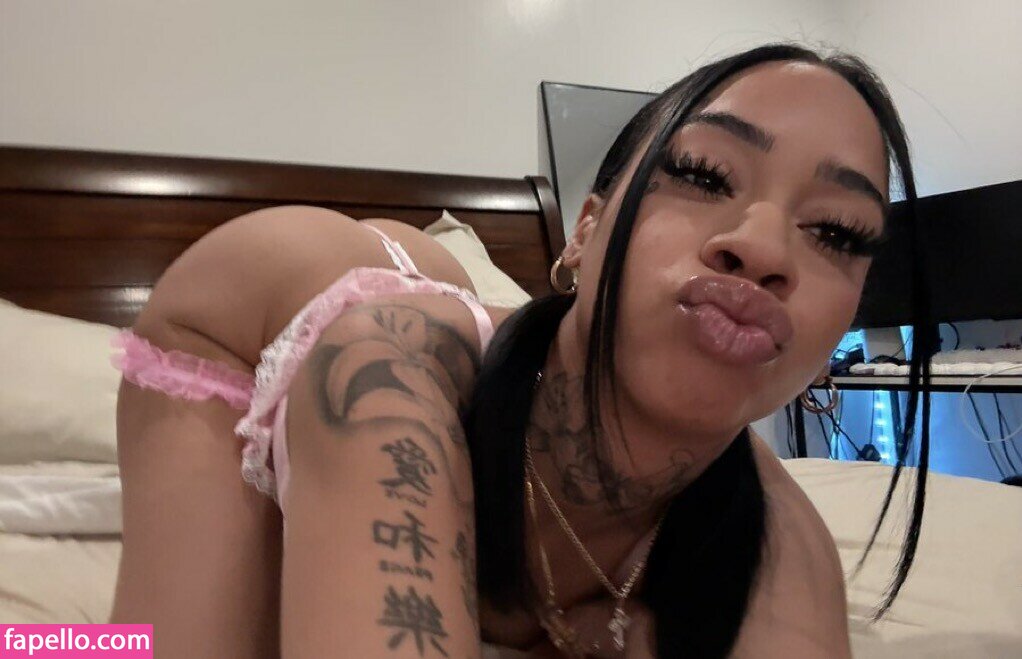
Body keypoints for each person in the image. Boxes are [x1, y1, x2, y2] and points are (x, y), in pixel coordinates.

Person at [110, 43, 934, 658]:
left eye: (837, 232)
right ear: (585, 231)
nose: (763, 249)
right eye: (704, 175)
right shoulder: (384, 368)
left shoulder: (784, 547)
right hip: (245, 318)